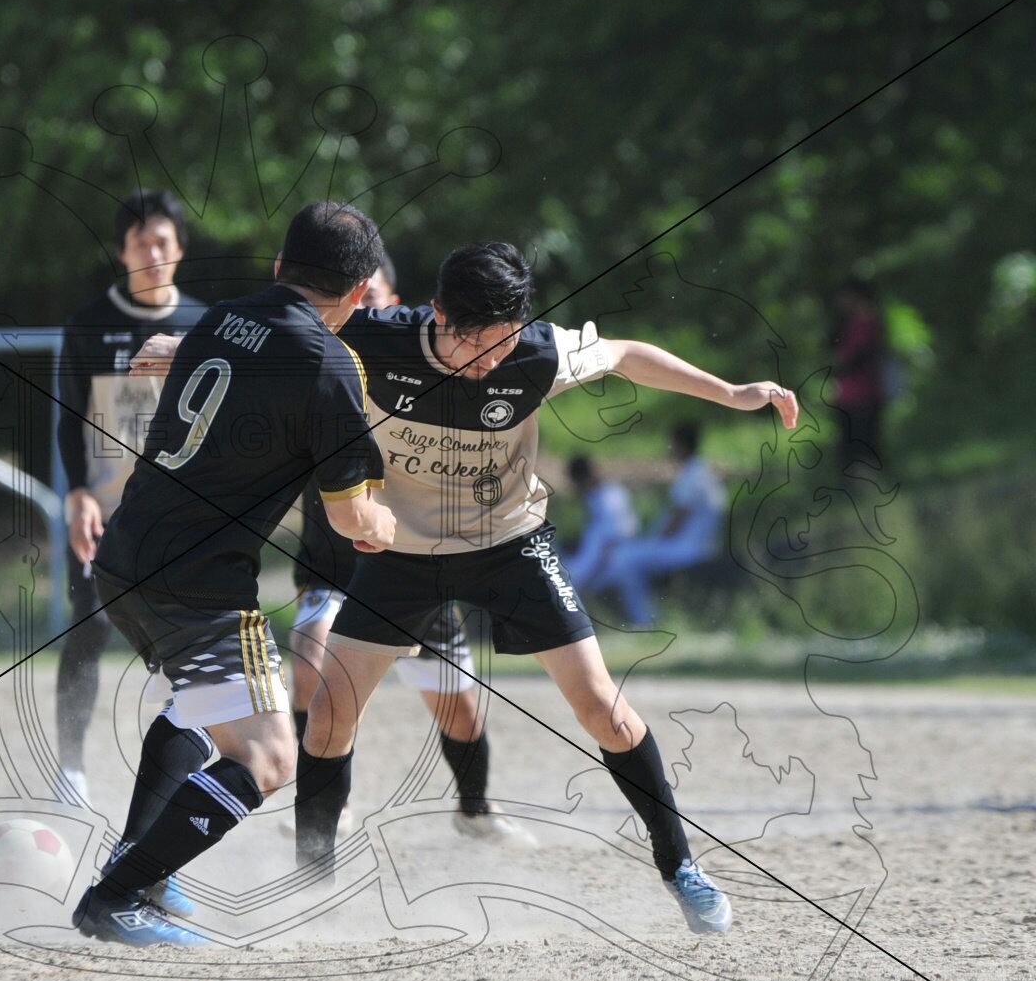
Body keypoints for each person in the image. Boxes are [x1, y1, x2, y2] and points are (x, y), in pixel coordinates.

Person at [294, 241, 799, 935]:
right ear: (438, 313)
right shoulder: (376, 338)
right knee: (328, 714)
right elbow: (276, 338)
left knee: (603, 708)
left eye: (502, 343)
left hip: (511, 547)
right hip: (403, 553)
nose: (487, 360)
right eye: (473, 342)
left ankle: (682, 867)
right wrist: (179, 348)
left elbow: (626, 355)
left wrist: (733, 393)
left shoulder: (536, 353)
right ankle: (312, 882)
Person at [71, 200, 395, 946]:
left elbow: (228, 353)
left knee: (196, 707)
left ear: (280, 266)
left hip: (124, 557)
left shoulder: (220, 318)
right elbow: (350, 517)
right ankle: (115, 897)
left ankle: (141, 865)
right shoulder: (330, 364)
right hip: (199, 585)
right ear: (358, 291)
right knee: (270, 755)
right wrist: (383, 525)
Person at [287, 253, 533, 844]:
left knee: (458, 709)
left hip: (413, 567)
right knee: (311, 659)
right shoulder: (317, 365)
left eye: (370, 297)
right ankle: (328, 805)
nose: (359, 307)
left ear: (392, 307)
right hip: (336, 568)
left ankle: (475, 809)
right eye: (350, 296)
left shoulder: (422, 372)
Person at [54, 190, 207, 805]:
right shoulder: (90, 325)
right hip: (107, 513)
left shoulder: (206, 326)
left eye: (162, 241)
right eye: (140, 242)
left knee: (188, 643)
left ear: (180, 249)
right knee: (89, 628)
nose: (152, 252)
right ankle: (70, 769)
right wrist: (79, 494)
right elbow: (70, 420)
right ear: (122, 252)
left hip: (182, 517)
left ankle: (179, 771)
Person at [594, 423, 726, 626]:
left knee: (624, 558)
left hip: (689, 548)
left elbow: (676, 520)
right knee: (629, 554)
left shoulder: (691, 475)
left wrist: (653, 542)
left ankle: (644, 620)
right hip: (701, 544)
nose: (669, 449)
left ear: (681, 444)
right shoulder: (703, 470)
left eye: (672, 443)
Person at [830, 278, 889, 474]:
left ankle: (866, 481)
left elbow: (858, 358)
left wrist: (841, 367)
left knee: (863, 443)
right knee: (851, 444)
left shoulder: (867, 323)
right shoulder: (854, 323)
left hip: (863, 393)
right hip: (850, 393)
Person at [560, 455, 638, 591]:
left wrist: (590, 579)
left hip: (608, 562)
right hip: (597, 558)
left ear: (583, 480)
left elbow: (612, 543)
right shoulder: (599, 495)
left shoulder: (607, 499)